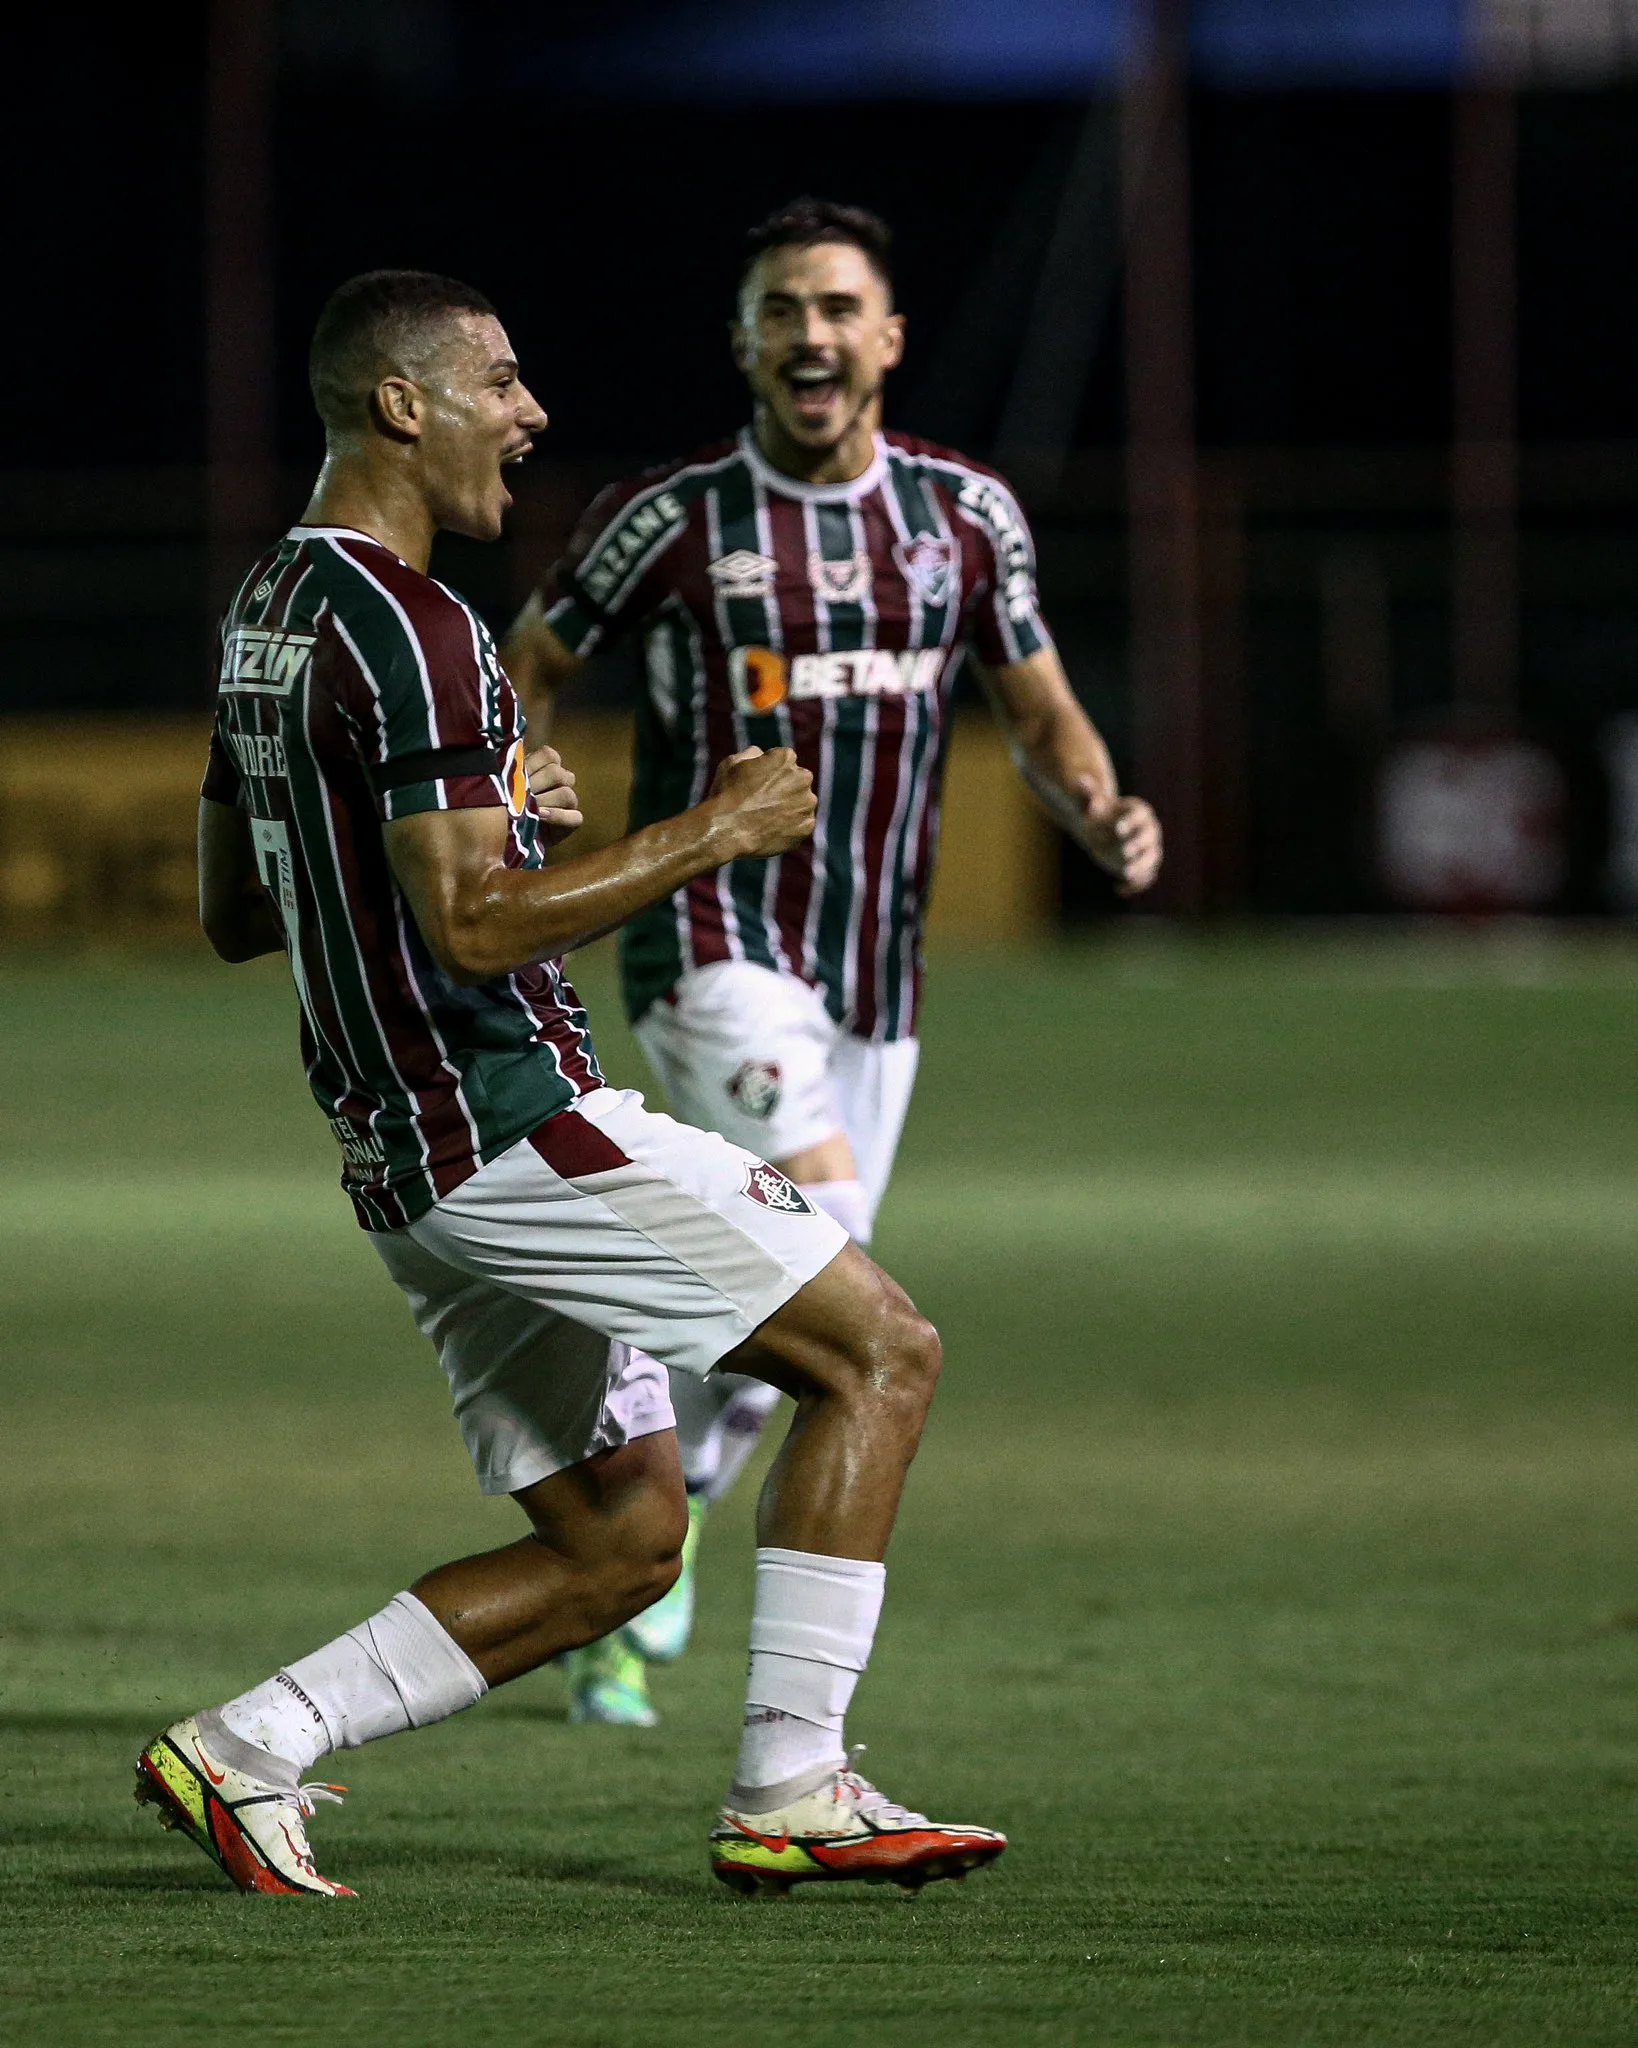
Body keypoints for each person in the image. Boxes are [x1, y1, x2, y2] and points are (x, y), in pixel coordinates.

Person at [134, 268, 1005, 1900]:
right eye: (502, 384)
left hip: (402, 1160)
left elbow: (237, 911)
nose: (530, 416)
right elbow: (468, 928)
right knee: (881, 1351)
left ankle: (245, 1749)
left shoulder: (273, 611)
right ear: (405, 404)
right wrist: (712, 831)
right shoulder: (420, 623)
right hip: (514, 1131)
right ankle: (794, 1787)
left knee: (617, 1543)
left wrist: (501, 813)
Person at [502, 199, 1163, 1725]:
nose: (810, 333)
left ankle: (632, 1526)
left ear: (886, 339)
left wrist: (1099, 805)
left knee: (803, 1297)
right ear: (744, 342)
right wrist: (522, 774)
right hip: (712, 944)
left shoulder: (962, 519)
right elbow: (529, 657)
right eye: (781, 308)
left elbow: (1040, 703)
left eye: (837, 307)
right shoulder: (665, 520)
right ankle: (703, 1630)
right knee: (841, 1258)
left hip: (878, 974)